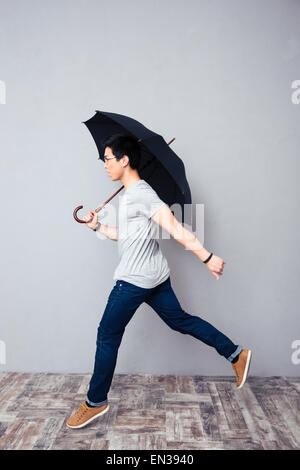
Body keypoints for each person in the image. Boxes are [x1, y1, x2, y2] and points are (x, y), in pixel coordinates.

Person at [66, 134, 252, 429]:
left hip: (134, 281)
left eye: (107, 158)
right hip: (155, 278)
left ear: (124, 160)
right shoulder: (129, 195)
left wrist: (207, 257)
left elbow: (176, 229)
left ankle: (95, 402)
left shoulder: (142, 194)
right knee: (180, 320)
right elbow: (122, 235)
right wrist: (97, 225)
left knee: (107, 335)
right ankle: (235, 353)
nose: (104, 164)